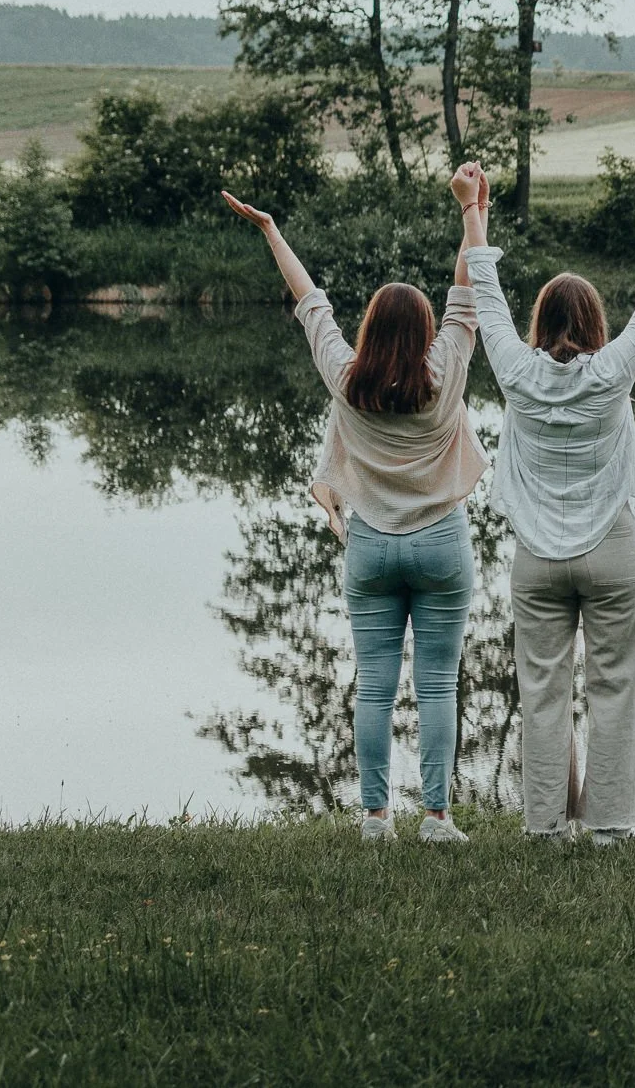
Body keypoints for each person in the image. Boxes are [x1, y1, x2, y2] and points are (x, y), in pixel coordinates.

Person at [221, 173, 487, 844]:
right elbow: (467, 292)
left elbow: (310, 301)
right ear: (426, 330)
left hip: (370, 545)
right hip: (441, 545)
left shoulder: (345, 377)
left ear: (369, 329)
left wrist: (270, 229)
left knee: (374, 684)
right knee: (436, 684)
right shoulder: (446, 368)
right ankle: (435, 816)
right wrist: (471, 212)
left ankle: (374, 817)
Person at [455, 160, 635, 846]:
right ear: (594, 322)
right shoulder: (613, 371)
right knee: (615, 684)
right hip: (612, 549)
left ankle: (545, 823)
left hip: (536, 555)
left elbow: (486, 291)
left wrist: (473, 207)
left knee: (543, 690)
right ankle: (612, 824)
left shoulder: (515, 368)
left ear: (542, 320)